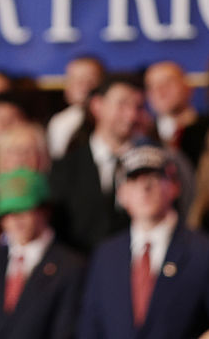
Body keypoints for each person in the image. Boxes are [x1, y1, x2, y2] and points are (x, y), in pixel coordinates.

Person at [77, 145, 209, 339]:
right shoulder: (105, 256)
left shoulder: (205, 254)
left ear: (174, 186)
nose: (144, 188)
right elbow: (89, 329)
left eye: (154, 177)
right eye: (133, 180)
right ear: (121, 194)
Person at [0, 168, 85, 339]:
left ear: (44, 211)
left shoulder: (70, 267)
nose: (15, 219)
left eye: (23, 209)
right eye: (7, 213)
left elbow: (66, 330)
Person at [49, 74, 144, 254]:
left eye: (138, 107)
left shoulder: (153, 165)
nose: (131, 115)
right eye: (122, 105)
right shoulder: (65, 167)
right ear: (97, 105)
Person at [46, 55, 105, 159]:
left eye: (89, 79)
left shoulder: (112, 118)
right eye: (74, 79)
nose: (82, 85)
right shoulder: (59, 122)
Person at [143, 60, 199, 153]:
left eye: (167, 84)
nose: (160, 92)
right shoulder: (143, 136)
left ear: (187, 87)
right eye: (152, 86)